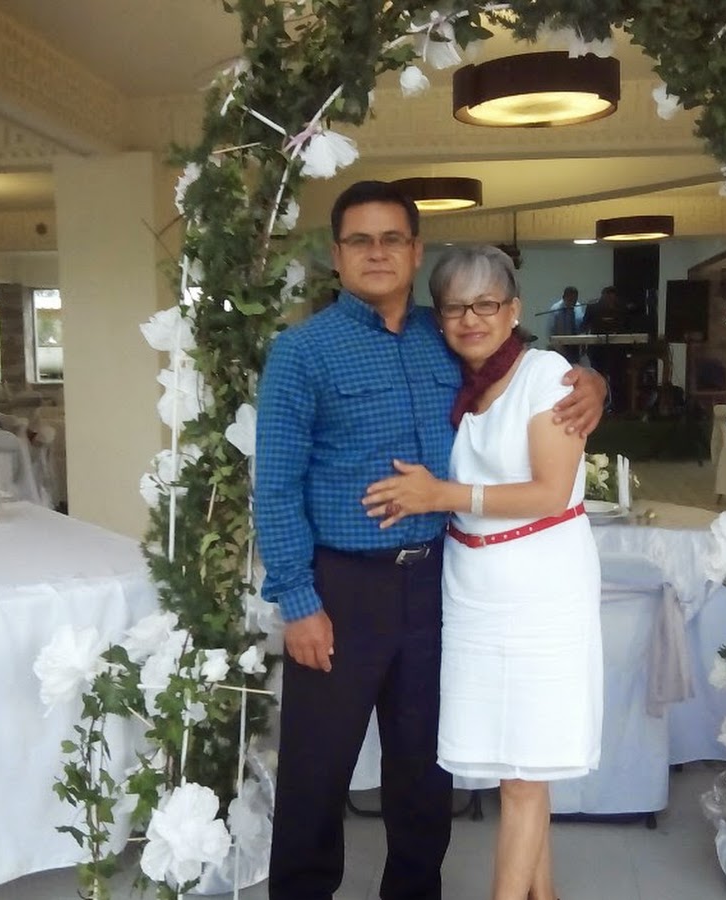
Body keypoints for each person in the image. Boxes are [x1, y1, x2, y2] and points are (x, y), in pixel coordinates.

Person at [254, 181, 606, 900]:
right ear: (337, 255)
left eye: (392, 238)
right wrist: (299, 601)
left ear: (416, 252)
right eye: (360, 240)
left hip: (437, 585)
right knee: (317, 770)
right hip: (342, 588)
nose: (377, 252)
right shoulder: (301, 352)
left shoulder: (444, 336)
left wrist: (594, 384)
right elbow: (276, 486)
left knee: (423, 772)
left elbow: (528, 375)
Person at [362, 245, 603, 900]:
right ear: (439, 316)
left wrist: (441, 495)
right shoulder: (457, 379)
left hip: (540, 587)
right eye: (455, 307)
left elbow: (550, 491)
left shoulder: (546, 375)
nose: (471, 319)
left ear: (514, 309)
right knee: (515, 765)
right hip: (471, 587)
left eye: (486, 303)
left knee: (524, 772)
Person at [541, 285, 585, 363]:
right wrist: (558, 348)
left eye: (575, 300)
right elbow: (550, 331)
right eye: (570, 300)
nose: (573, 303)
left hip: (575, 346)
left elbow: (581, 325)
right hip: (560, 346)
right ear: (564, 297)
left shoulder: (578, 307)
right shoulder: (555, 309)